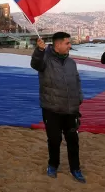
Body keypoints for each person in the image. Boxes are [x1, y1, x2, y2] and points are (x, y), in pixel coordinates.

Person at [31, 32, 86, 183]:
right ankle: (53, 165)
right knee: (54, 140)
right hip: (52, 108)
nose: (70, 46)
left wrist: (79, 98)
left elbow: (77, 81)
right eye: (67, 43)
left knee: (73, 140)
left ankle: (75, 168)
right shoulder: (45, 60)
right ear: (58, 45)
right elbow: (35, 64)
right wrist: (39, 50)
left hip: (70, 109)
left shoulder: (71, 63)